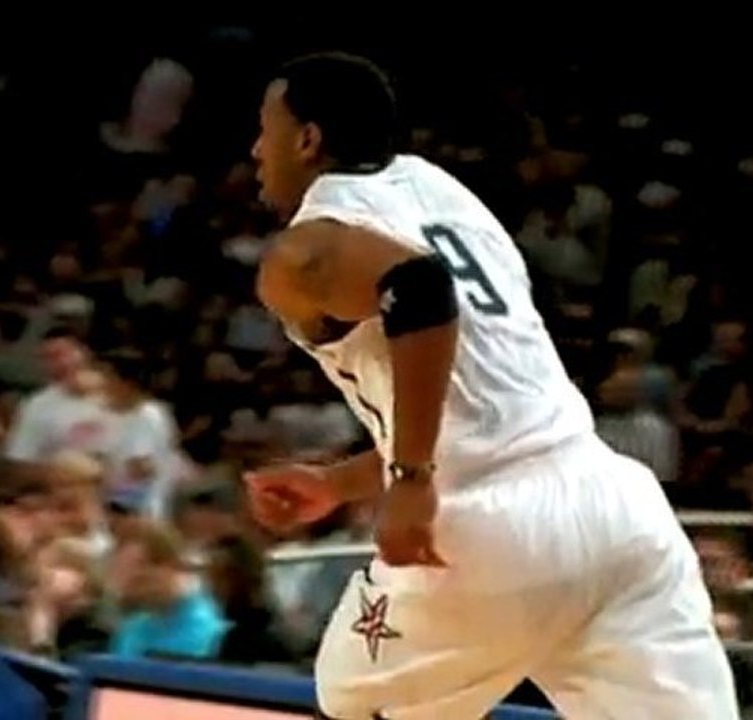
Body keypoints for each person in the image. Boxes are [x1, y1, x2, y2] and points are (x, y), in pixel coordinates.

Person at [245, 52, 738, 719]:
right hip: (615, 507)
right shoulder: (440, 191)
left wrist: (410, 480)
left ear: (307, 139)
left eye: (265, 130)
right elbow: (485, 410)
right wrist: (339, 483)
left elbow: (418, 289)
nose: (256, 150)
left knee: (354, 704)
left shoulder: (305, 251)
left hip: (490, 533)